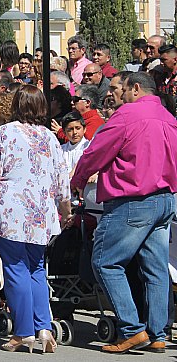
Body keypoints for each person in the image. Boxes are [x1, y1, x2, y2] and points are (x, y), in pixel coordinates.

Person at [72, 72, 177, 353]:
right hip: (164, 198)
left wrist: (78, 180)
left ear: (135, 88)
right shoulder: (168, 117)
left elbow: (95, 152)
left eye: (122, 89)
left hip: (133, 198)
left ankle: (132, 329)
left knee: (106, 261)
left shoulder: (128, 115)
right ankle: (158, 332)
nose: (118, 95)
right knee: (155, 268)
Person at [0, 85, 71, 353]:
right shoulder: (50, 137)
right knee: (37, 269)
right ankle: (43, 327)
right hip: (40, 211)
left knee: (16, 268)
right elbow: (62, 179)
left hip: (11, 211)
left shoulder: (3, 134)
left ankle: (24, 332)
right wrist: (65, 210)